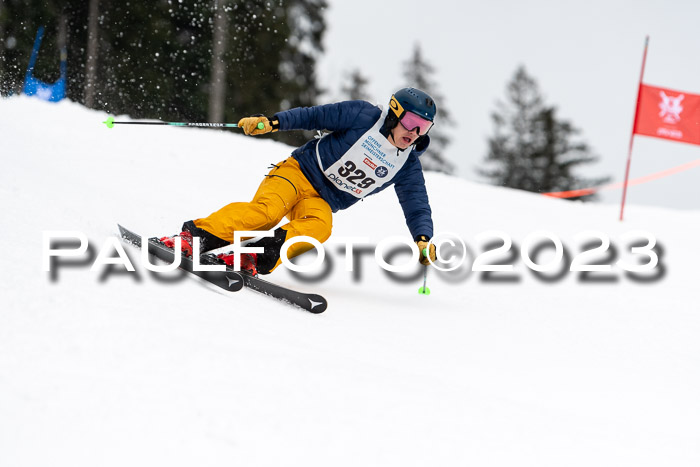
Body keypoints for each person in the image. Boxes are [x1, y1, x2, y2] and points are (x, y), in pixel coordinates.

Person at [160, 87, 438, 276]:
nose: (414, 132)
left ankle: (251, 256)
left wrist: (423, 239)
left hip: (321, 200)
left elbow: (416, 204)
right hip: (297, 173)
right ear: (394, 112)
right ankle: (191, 238)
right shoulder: (363, 116)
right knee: (266, 213)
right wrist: (273, 122)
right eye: (412, 121)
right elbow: (314, 115)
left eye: (424, 127)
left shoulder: (407, 165)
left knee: (319, 228)